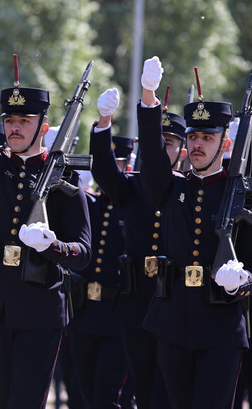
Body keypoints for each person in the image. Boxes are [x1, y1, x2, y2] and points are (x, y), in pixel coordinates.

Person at [0, 57, 91, 409]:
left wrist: (53, 246)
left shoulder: (64, 181)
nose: (15, 128)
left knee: (24, 402)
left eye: (24, 120)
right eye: (9, 120)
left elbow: (83, 254)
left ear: (44, 126)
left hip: (41, 311)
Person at [137, 56, 251, 408]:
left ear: (226, 144)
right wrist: (148, 100)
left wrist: (244, 278)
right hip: (173, 323)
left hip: (221, 326)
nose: (198, 144)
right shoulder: (171, 187)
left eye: (208, 136)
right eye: (193, 136)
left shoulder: (243, 194)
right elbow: (154, 158)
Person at [90, 86, 186, 408]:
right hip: (135, 303)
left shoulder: (187, 190)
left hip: (175, 303)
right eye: (153, 144)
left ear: (181, 152)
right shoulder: (132, 186)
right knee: (142, 391)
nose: (157, 150)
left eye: (167, 143)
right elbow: (103, 170)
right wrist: (104, 123)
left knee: (171, 393)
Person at [69, 138, 133, 408]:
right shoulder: (88, 203)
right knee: (82, 394)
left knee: (106, 398)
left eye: (116, 165)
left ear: (127, 166)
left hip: (117, 316)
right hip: (84, 313)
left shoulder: (132, 207)